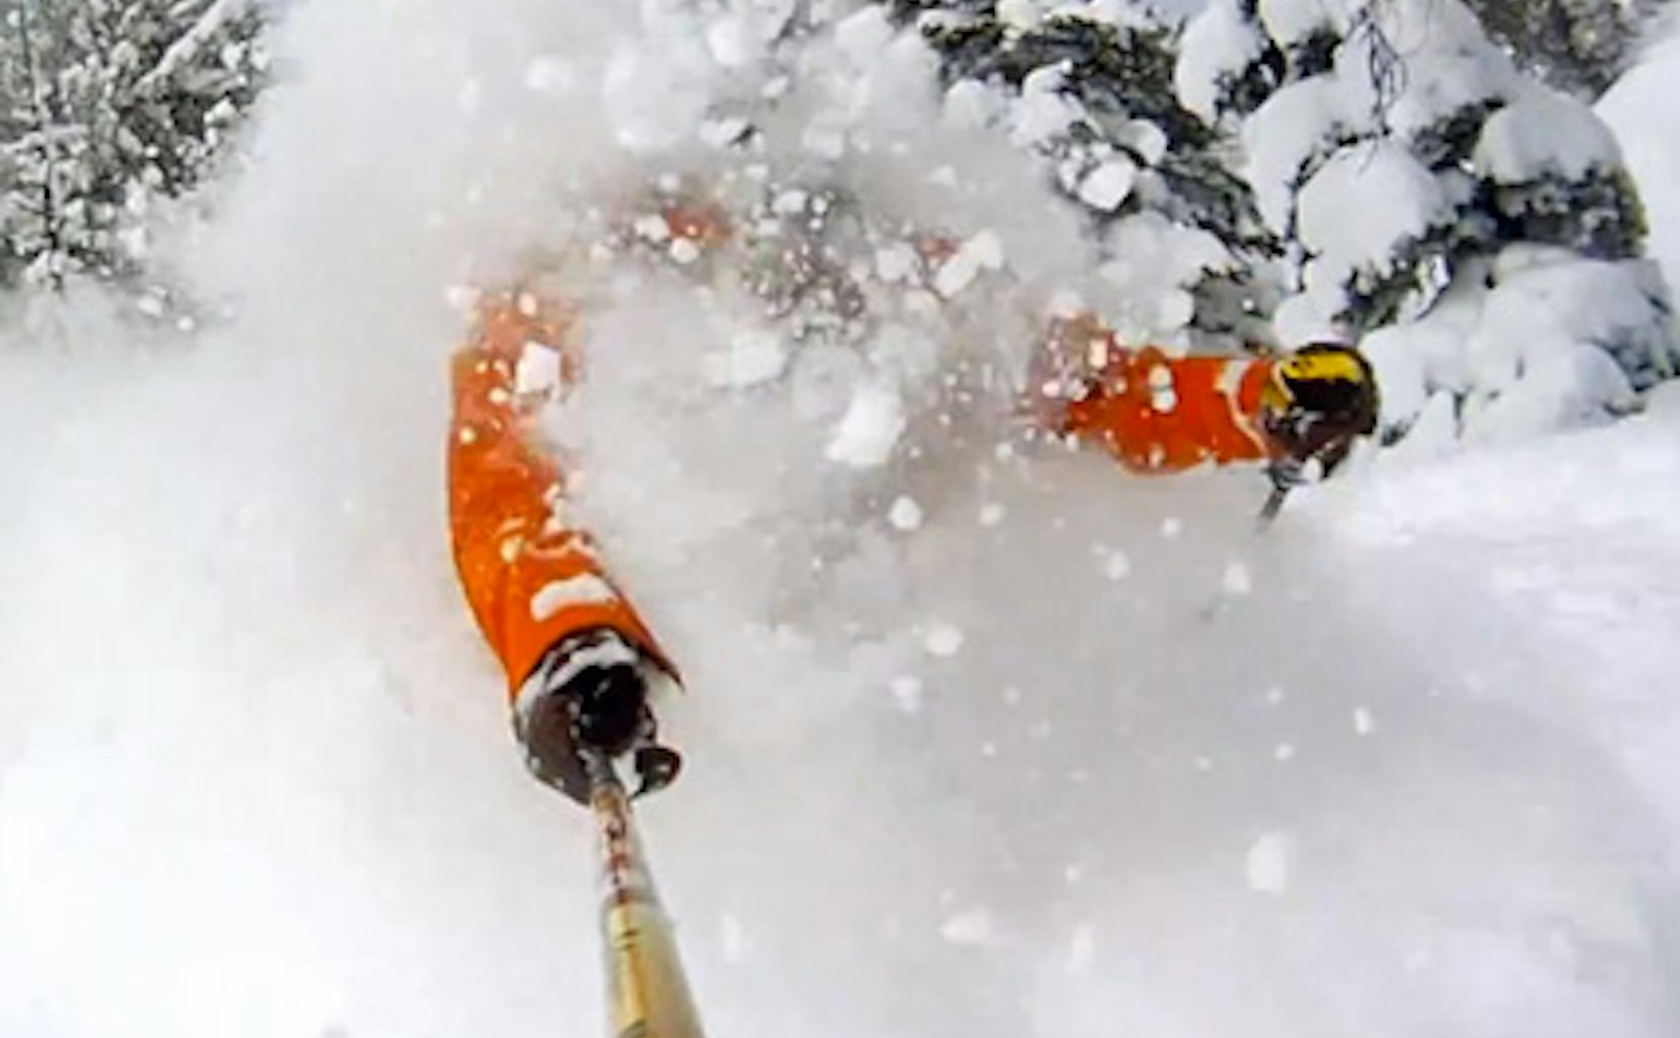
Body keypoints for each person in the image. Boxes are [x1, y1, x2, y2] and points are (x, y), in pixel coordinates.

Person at [447, 212, 1379, 804]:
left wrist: (1258, 401)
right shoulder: (563, 294)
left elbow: (1105, 390)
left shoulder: (900, 258)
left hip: (919, 704)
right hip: (716, 710)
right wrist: (569, 641)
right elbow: (504, 485)